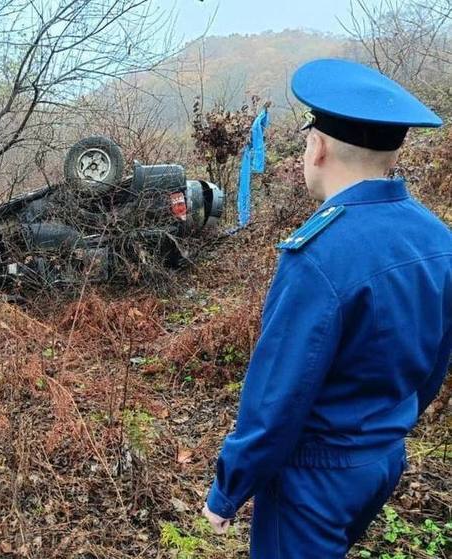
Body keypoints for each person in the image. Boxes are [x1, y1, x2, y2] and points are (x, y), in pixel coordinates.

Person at [201, 58, 452, 558]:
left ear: (316, 147)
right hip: (381, 459)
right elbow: (434, 365)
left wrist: (229, 489)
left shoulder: (318, 255)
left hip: (315, 477)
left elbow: (277, 396)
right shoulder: (438, 239)